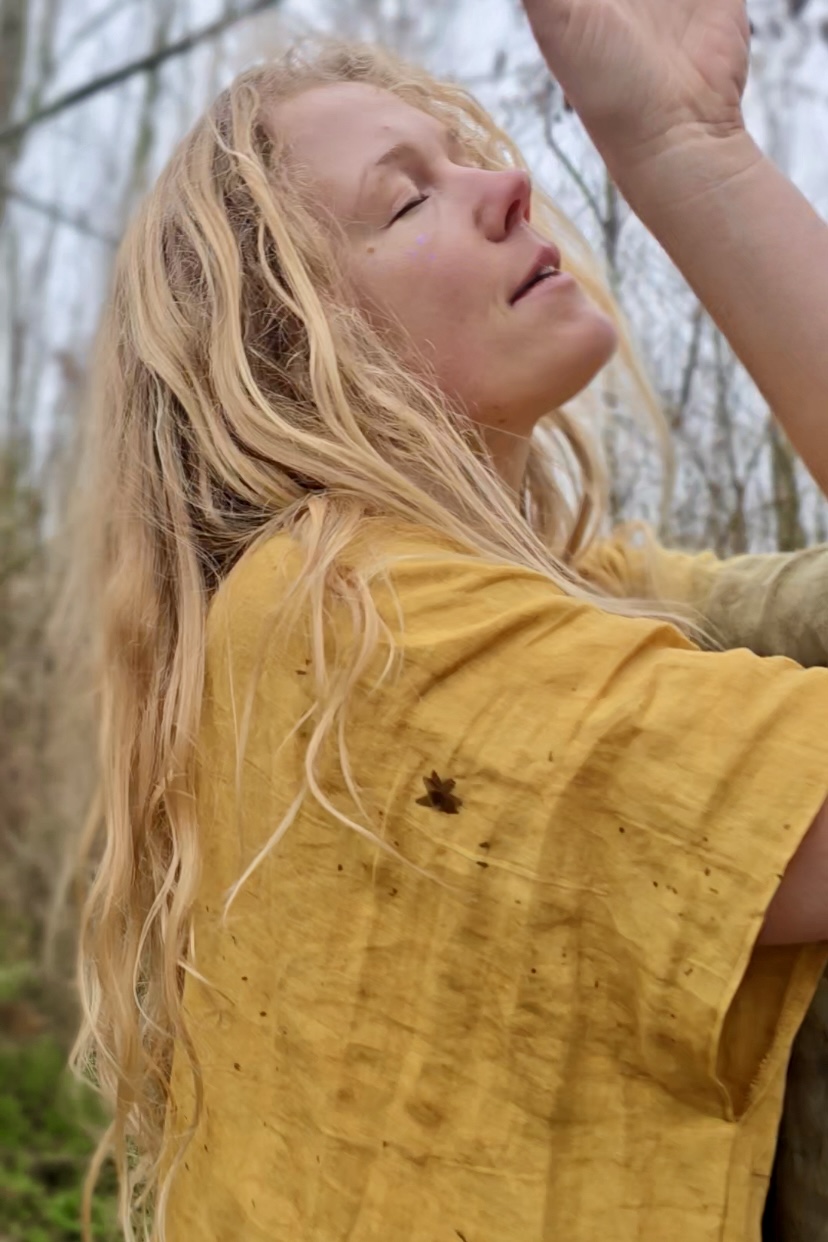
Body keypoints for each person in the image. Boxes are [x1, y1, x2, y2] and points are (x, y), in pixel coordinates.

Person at [63, 2, 828, 1238]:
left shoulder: (580, 596)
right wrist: (692, 168)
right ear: (290, 351)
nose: (509, 188)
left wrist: (689, 141)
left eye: (469, 157)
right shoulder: (351, 620)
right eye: (409, 197)